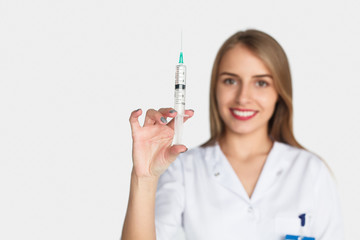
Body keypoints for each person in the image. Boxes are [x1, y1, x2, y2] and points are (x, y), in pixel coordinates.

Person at [121, 29, 344, 240]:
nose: (243, 97)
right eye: (230, 80)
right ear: (214, 88)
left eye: (261, 82)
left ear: (279, 91)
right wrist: (145, 178)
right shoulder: (184, 170)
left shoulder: (310, 172)